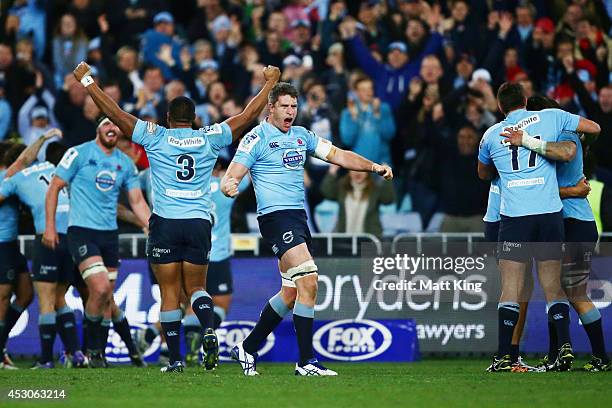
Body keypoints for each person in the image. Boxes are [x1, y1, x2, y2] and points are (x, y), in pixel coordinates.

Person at [71, 59, 281, 373]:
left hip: (165, 223)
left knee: (170, 294)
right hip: (198, 222)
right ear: (195, 119)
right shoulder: (211, 136)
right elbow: (248, 115)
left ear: (168, 118)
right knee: (197, 288)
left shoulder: (154, 135)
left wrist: (88, 82)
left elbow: (115, 113)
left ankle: (176, 360)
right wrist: (270, 83)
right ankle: (208, 330)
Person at [222, 82, 393, 376]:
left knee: (291, 292)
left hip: (298, 219)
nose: (290, 112)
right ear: (271, 107)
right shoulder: (256, 138)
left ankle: (247, 348)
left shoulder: (302, 136)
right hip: (275, 219)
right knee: (310, 280)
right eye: (285, 106)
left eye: (294, 107)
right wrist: (230, 184)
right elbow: (234, 172)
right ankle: (306, 361)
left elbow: (338, 155)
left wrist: (373, 166)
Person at [477, 82, 601, 372]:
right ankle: (564, 349)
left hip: (514, 217)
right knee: (552, 287)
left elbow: (483, 173)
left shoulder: (492, 134)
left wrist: (504, 164)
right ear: (525, 100)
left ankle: (504, 356)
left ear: (499, 106)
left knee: (512, 287)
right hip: (549, 215)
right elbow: (592, 129)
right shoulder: (552, 120)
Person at [505, 95, 610, 372]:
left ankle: (585, 356)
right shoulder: (572, 135)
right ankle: (570, 356)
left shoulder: (549, 145)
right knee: (565, 291)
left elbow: (544, 184)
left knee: (565, 293)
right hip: (583, 222)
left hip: (568, 222)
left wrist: (570, 191)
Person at [44, 116, 151, 368]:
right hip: (82, 232)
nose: (111, 128)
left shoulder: (125, 164)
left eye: (115, 126)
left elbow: (136, 201)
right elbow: (54, 188)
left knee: (105, 298)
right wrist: (50, 227)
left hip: (109, 236)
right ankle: (92, 350)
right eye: (106, 124)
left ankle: (96, 354)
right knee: (101, 289)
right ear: (98, 130)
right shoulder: (78, 154)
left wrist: (151, 225)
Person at [0, 132, 87, 369]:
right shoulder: (52, 168)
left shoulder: (14, 179)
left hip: (46, 238)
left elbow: (17, 168)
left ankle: (46, 359)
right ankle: (76, 353)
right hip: (70, 236)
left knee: (47, 300)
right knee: (59, 298)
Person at [0, 142, 34, 369]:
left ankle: (1, 344)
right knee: (2, 299)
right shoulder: (6, 177)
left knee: (25, 294)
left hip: (11, 245)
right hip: (1, 245)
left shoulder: (13, 179)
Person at [320, 166, 395, 236]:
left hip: (369, 239)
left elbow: (388, 199)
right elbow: (327, 192)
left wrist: (386, 179)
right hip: (345, 239)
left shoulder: (375, 189)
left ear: (367, 172)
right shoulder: (342, 187)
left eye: (362, 170)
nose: (358, 173)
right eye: (354, 170)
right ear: (349, 172)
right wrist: (332, 171)